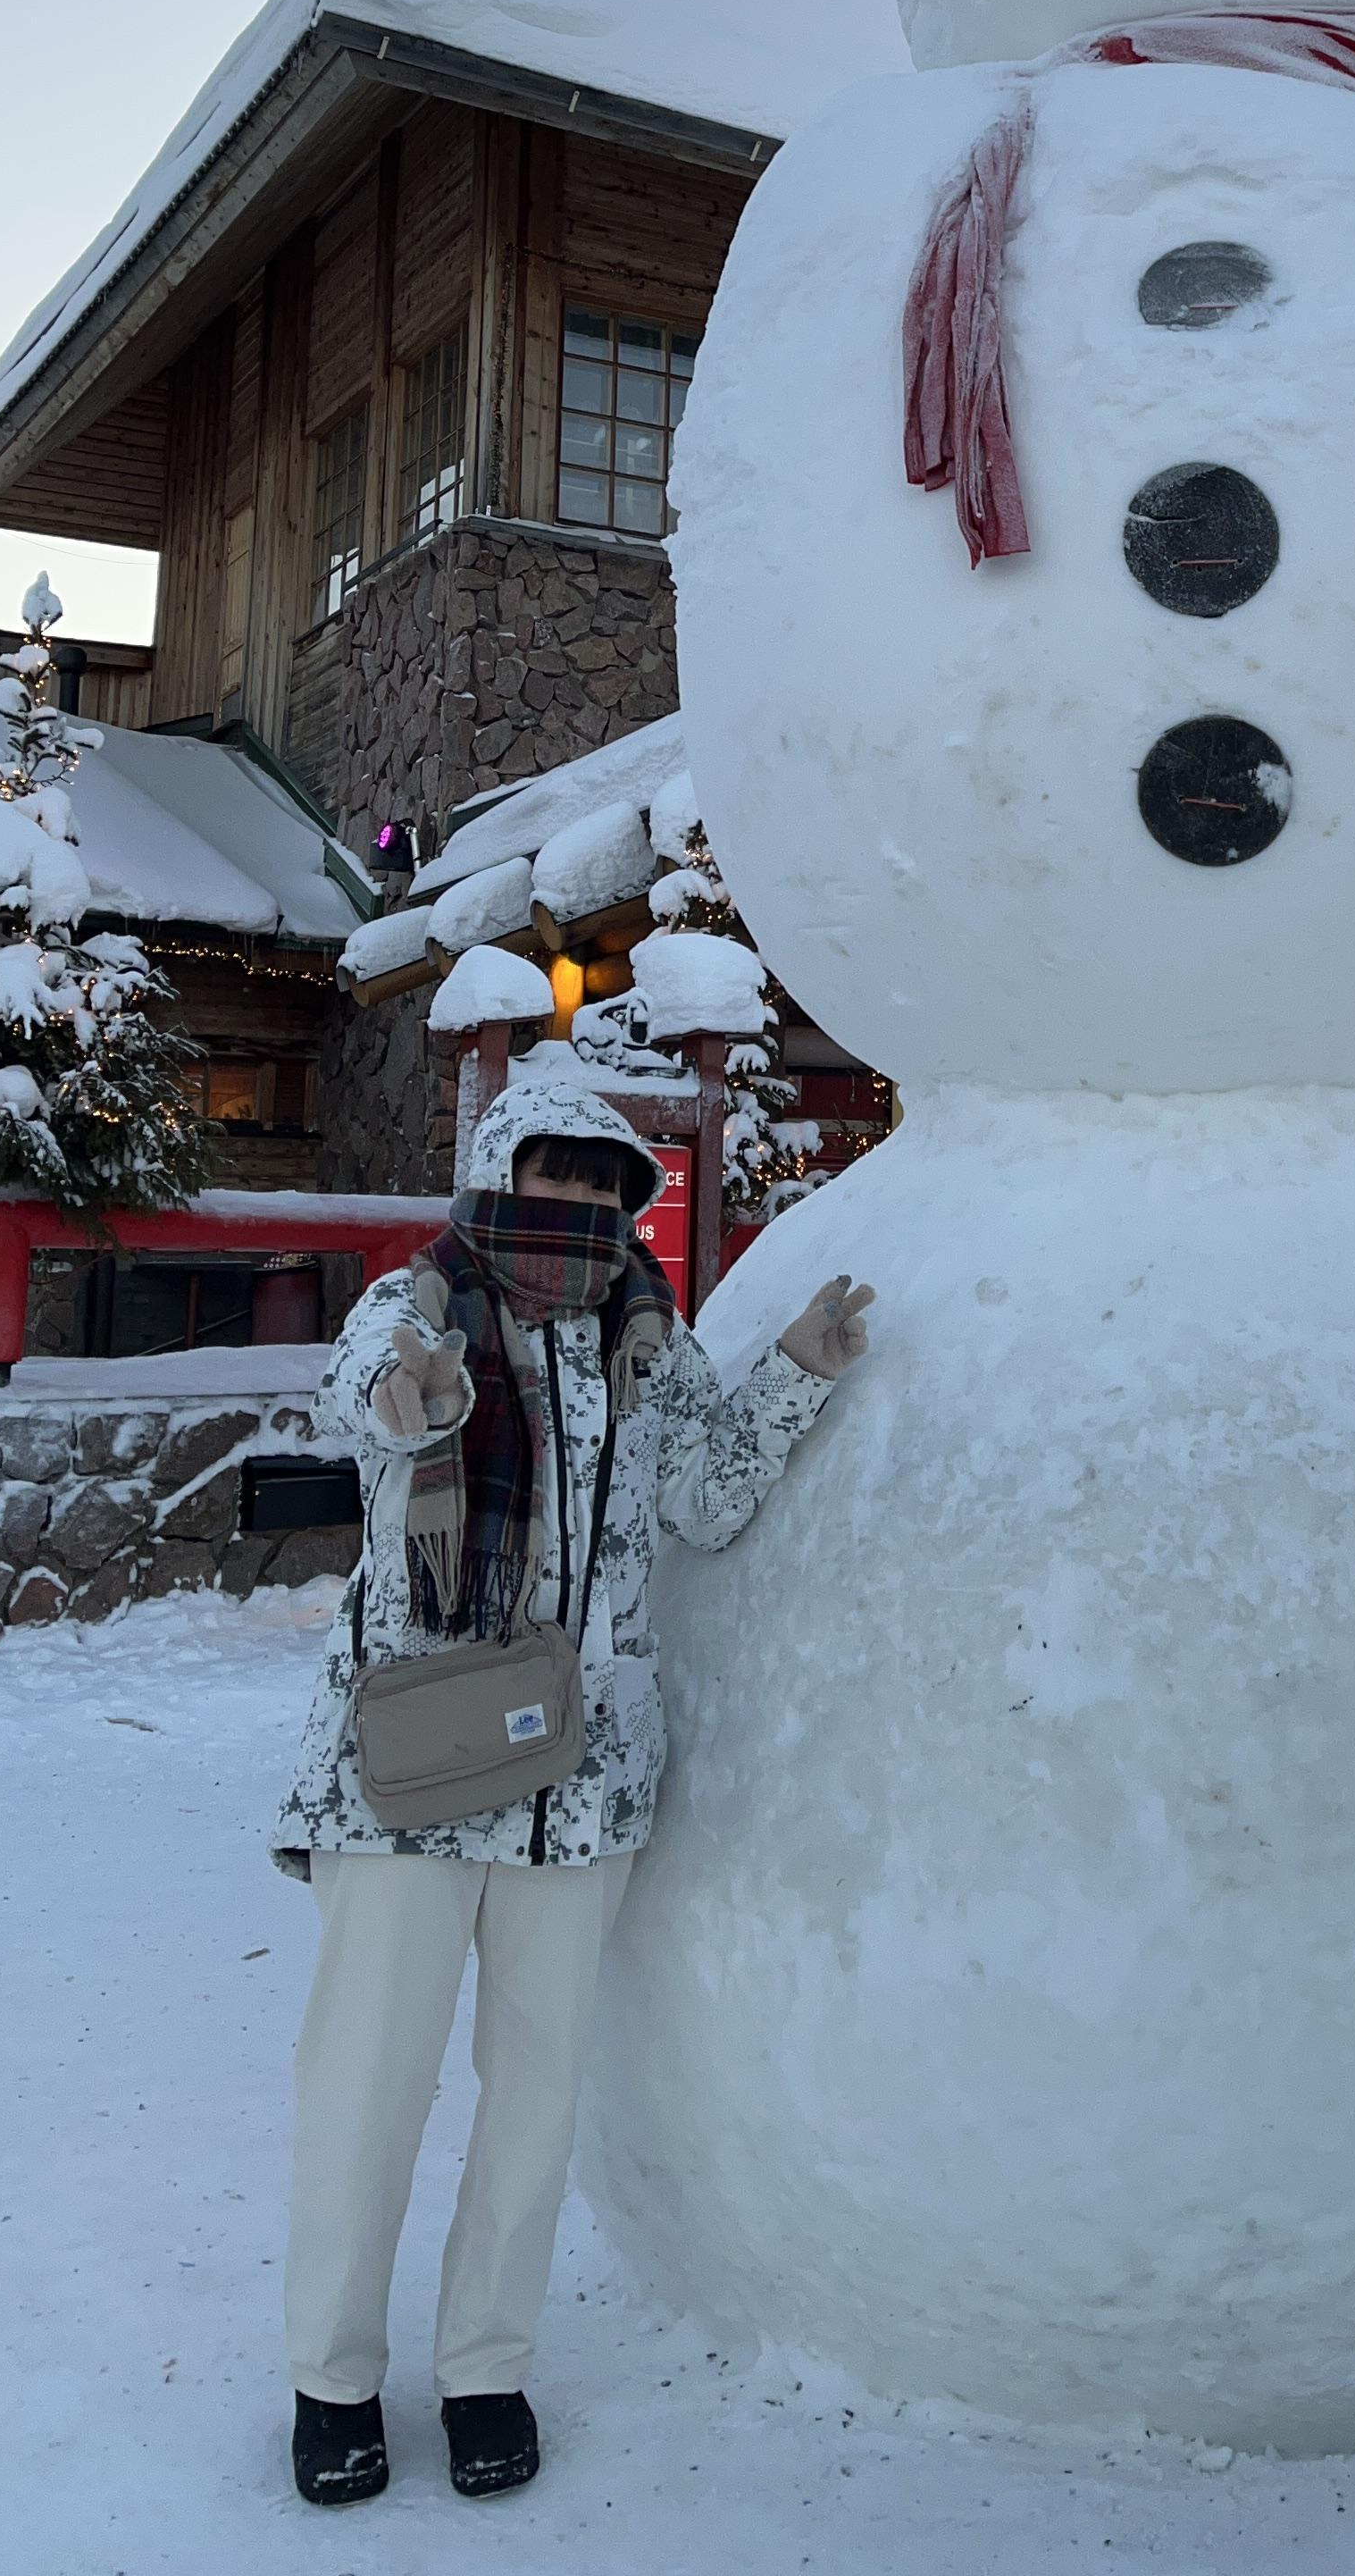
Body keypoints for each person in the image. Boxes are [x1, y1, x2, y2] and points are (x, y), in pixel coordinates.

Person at [270, 1051, 874, 2508]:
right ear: (503, 1177)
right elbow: (375, 1402)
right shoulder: (415, 1308)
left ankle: (486, 2366)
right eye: (556, 1174)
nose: (580, 1203)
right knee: (368, 2086)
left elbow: (711, 1500)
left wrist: (795, 1372)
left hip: (581, 1784)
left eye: (606, 1186)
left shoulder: (648, 1346)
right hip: (411, 1768)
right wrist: (416, 1399)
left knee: (535, 2095)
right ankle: (331, 2381)